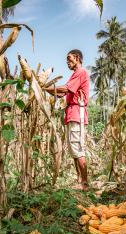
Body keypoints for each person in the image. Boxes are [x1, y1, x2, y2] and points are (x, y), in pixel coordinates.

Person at [44, 49, 89, 191]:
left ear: (77, 58)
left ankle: (85, 184)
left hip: (77, 113)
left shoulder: (81, 72)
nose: (67, 62)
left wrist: (46, 88)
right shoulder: (74, 75)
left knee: (78, 149)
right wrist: (52, 91)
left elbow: (65, 90)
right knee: (74, 150)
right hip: (71, 114)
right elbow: (62, 93)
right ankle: (79, 180)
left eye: (69, 59)